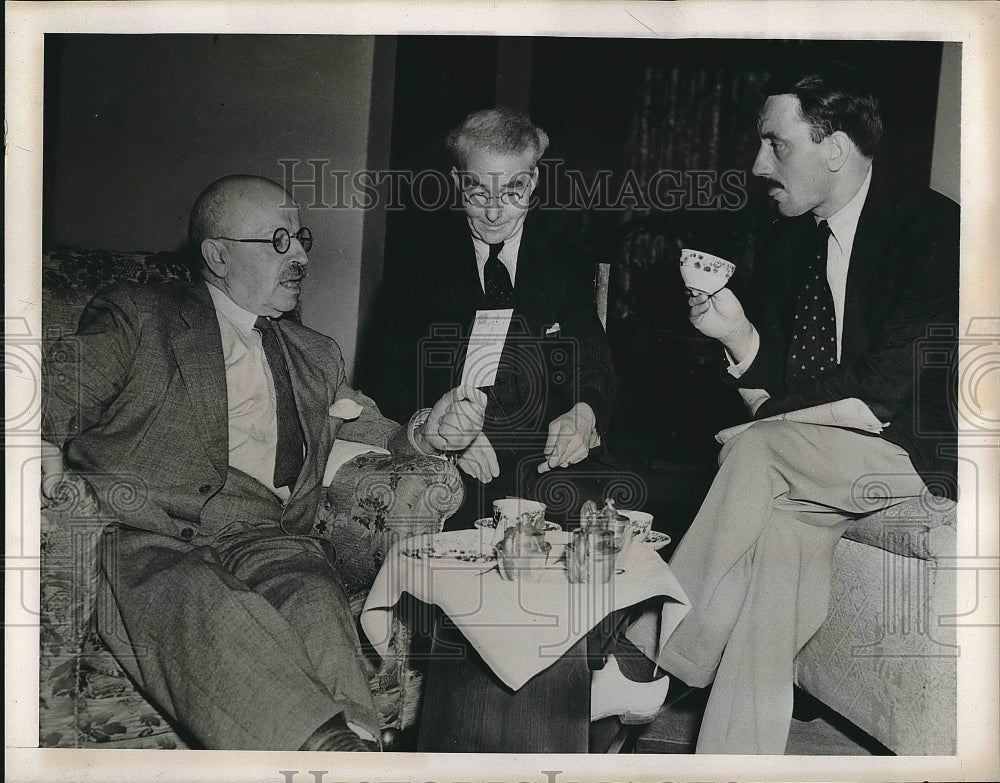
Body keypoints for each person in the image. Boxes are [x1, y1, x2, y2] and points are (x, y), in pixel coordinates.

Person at [40, 174, 487, 751]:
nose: (300, 253)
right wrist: (40, 453)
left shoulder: (315, 352)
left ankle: (357, 743)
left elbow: (379, 432)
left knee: (309, 590)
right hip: (142, 530)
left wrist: (430, 432)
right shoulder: (138, 314)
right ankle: (327, 753)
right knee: (200, 601)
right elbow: (44, 399)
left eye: (300, 237)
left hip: (265, 532)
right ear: (218, 256)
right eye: (278, 241)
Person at [641, 62, 959, 753]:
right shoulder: (798, 246)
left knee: (756, 446)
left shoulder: (933, 229)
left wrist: (765, 425)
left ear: (836, 150)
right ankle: (732, 760)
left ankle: (656, 653)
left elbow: (878, 394)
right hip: (830, 462)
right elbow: (781, 389)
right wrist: (736, 335)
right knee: (777, 544)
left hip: (919, 453)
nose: (758, 164)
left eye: (775, 144)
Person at [370, 107, 619, 525]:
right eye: (478, 193)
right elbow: (384, 381)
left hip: (550, 458)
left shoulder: (564, 257)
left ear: (534, 181)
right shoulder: (415, 265)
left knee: (596, 528)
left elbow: (593, 364)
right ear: (456, 182)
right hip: (453, 465)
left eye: (513, 192)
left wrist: (583, 413)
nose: (493, 211)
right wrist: (447, 432)